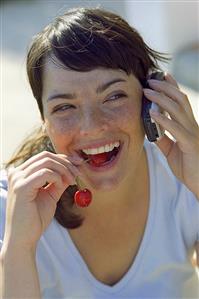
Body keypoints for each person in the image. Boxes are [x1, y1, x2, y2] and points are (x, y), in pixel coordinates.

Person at [0, 7, 199, 299]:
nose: (92, 127)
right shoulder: (10, 209)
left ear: (150, 101)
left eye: (114, 96)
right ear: (45, 121)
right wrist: (17, 249)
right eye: (64, 107)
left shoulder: (183, 176)